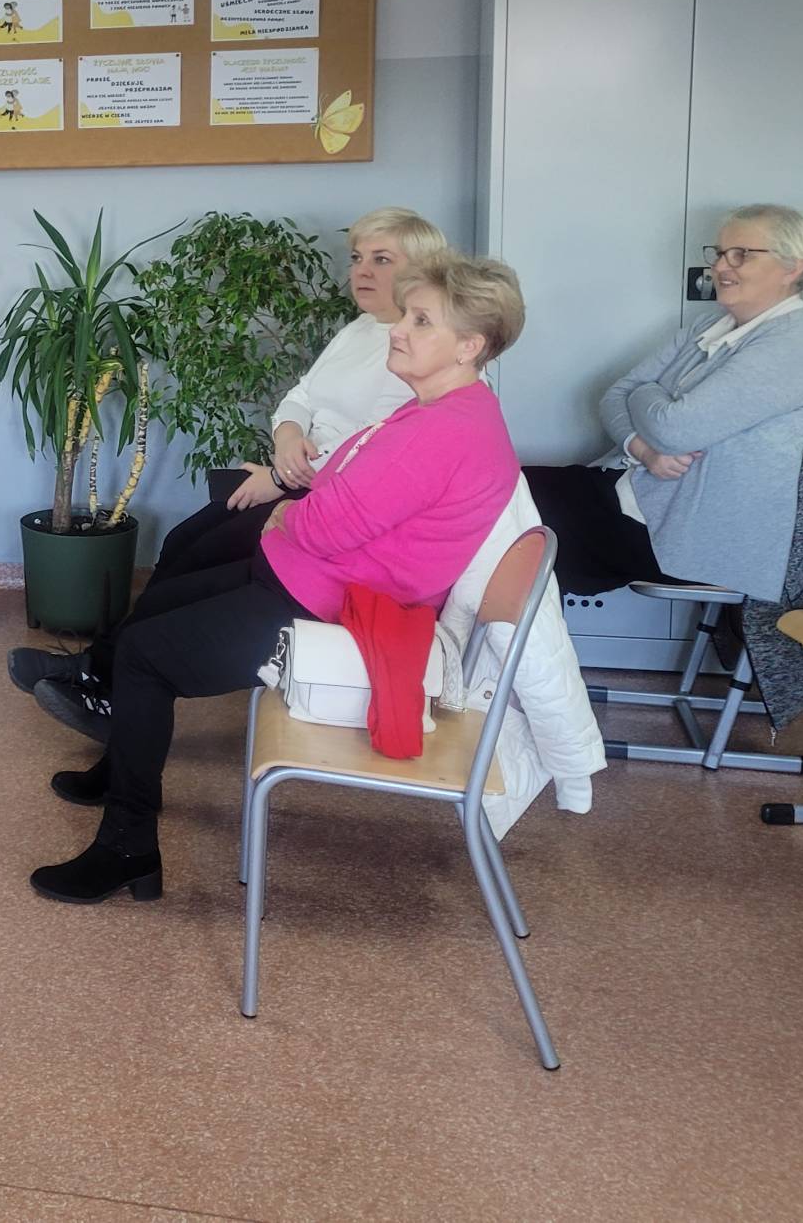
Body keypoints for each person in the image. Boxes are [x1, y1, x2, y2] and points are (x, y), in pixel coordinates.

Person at [29, 255, 527, 903]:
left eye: (421, 320)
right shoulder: (445, 409)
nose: (399, 329)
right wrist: (300, 513)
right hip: (309, 581)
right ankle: (122, 764)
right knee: (150, 615)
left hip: (325, 608)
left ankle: (128, 845)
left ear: (469, 345)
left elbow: (327, 524)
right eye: (406, 315)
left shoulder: (442, 431)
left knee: (147, 656)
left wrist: (287, 515)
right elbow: (343, 488)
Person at [10, 208, 448, 738]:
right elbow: (301, 396)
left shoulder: (413, 352)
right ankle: (104, 671)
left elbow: (370, 455)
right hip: (293, 477)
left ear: (422, 269)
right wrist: (286, 436)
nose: (362, 271)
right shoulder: (362, 328)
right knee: (182, 542)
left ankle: (104, 680)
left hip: (316, 504)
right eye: (357, 257)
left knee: (195, 556)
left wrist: (279, 479)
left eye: (381, 260)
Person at [522, 205, 803, 602]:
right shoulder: (710, 326)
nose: (720, 266)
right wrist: (643, 447)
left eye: (741, 254)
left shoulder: (789, 349)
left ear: (793, 268)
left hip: (682, 537)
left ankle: (512, 639)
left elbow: (673, 429)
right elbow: (614, 395)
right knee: (499, 491)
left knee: (506, 527)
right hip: (627, 492)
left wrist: (644, 394)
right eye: (719, 253)